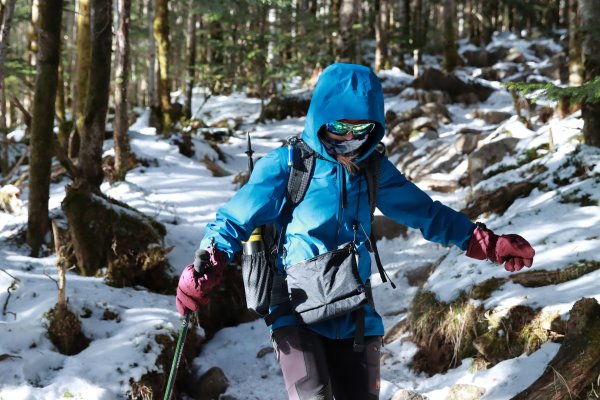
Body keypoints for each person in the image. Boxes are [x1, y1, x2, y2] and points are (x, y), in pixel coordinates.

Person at [175, 63, 535, 400]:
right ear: (320, 120)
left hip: (355, 310)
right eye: (339, 128)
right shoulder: (288, 165)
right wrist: (207, 263)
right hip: (295, 310)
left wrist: (487, 243)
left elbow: (427, 213)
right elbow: (233, 218)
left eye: (360, 129)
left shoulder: (374, 168)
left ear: (374, 126)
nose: (349, 138)